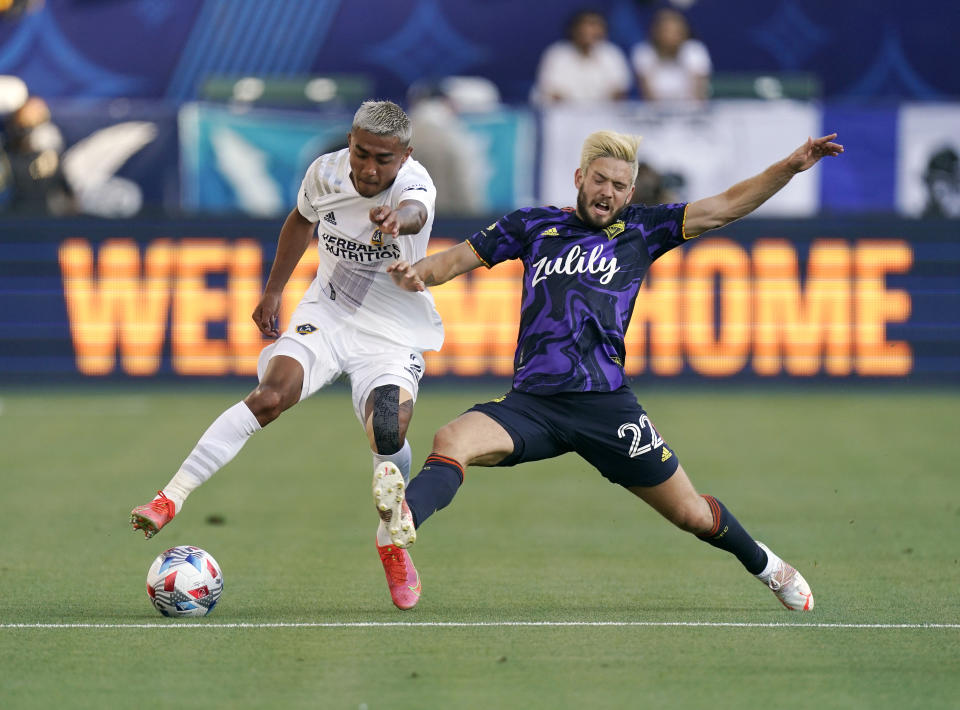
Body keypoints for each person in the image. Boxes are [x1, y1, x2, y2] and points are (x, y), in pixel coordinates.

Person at [377, 129, 843, 611]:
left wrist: (790, 166)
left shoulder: (644, 229)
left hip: (606, 406)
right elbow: (450, 263)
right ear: (580, 178)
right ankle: (401, 522)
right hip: (533, 405)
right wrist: (414, 275)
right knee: (452, 440)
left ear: (631, 192)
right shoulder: (533, 224)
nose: (609, 192)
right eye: (600, 180)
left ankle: (769, 567)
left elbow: (726, 205)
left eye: (620, 186)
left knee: (691, 514)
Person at [130, 100, 443, 611]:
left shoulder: (414, 183)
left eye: (382, 160)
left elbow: (417, 212)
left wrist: (398, 220)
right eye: (361, 152)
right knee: (270, 396)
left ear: (404, 155)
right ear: (350, 140)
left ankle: (391, 537)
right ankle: (170, 498)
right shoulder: (325, 171)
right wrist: (274, 290)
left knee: (388, 429)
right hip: (327, 312)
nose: (368, 168)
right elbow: (300, 221)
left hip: (391, 329)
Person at [532, 9, 631, 105]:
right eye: (587, 24)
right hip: (563, 114)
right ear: (574, 29)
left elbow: (619, 91)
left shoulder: (612, 54)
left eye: (597, 25)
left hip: (604, 115)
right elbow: (552, 92)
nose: (590, 30)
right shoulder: (556, 54)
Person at [631, 7, 712, 103]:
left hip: (691, 112)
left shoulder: (694, 50)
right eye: (667, 31)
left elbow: (698, 94)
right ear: (657, 32)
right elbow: (649, 97)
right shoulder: (644, 52)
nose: (672, 36)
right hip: (656, 114)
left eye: (677, 31)